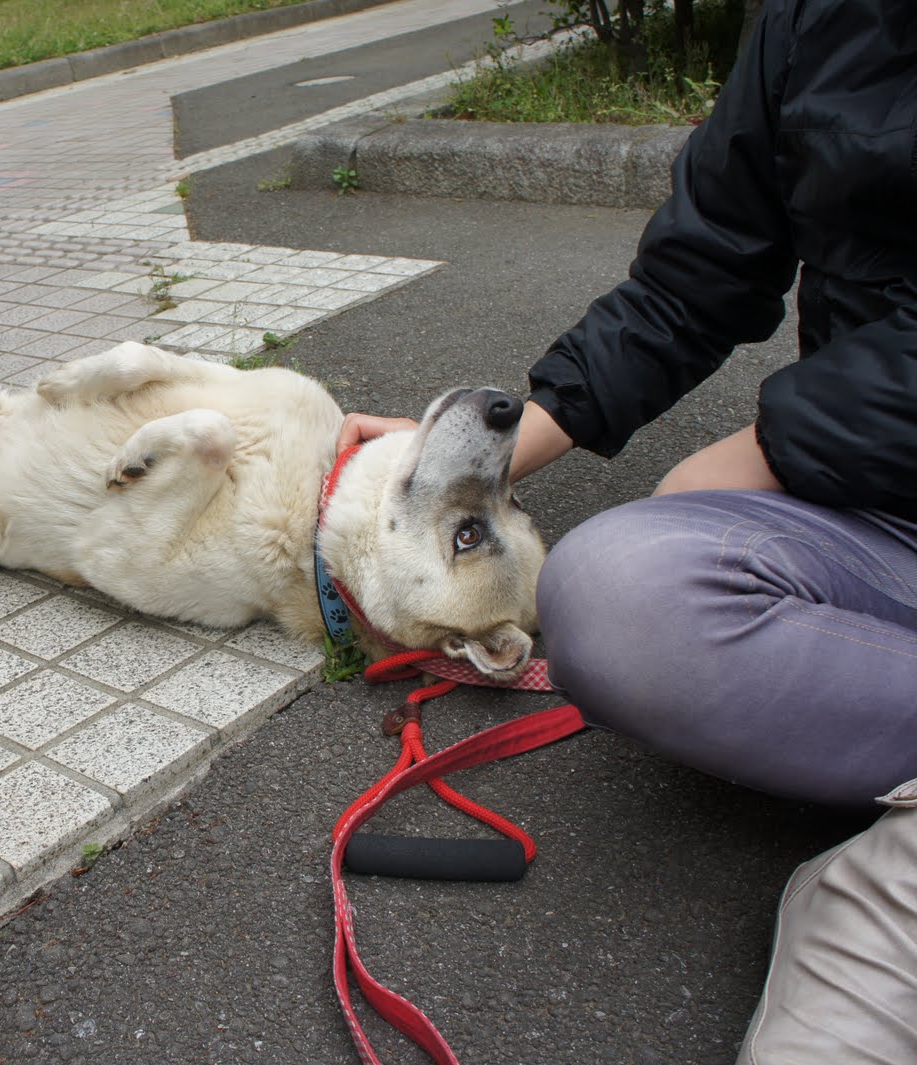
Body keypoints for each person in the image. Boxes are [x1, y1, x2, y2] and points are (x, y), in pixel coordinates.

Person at [339, 0, 916, 1060]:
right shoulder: (812, 18)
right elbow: (696, 276)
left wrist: (780, 444)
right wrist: (482, 459)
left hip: (854, 456)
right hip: (885, 507)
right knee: (621, 589)